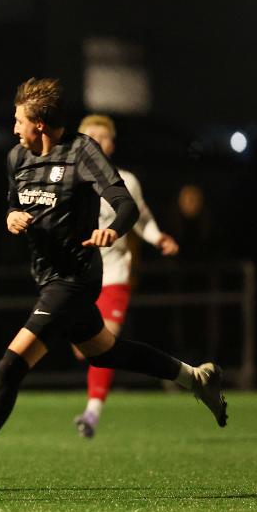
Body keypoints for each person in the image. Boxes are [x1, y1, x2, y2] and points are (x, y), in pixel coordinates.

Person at [0, 78, 226, 489]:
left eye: (19, 121)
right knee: (106, 352)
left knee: (11, 364)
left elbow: (125, 203)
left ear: (41, 125)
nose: (14, 129)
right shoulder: (17, 158)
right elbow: (15, 203)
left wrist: (113, 231)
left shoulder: (82, 151)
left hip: (76, 279)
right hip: (48, 279)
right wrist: (11, 217)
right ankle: (196, 378)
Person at [71, 114, 179, 438]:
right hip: (78, 274)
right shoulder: (68, 178)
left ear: (112, 144)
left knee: (104, 344)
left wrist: (158, 236)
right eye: (90, 136)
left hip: (114, 272)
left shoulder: (126, 180)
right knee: (85, 349)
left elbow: (140, 217)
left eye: (103, 137)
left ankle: (92, 413)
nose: (97, 142)